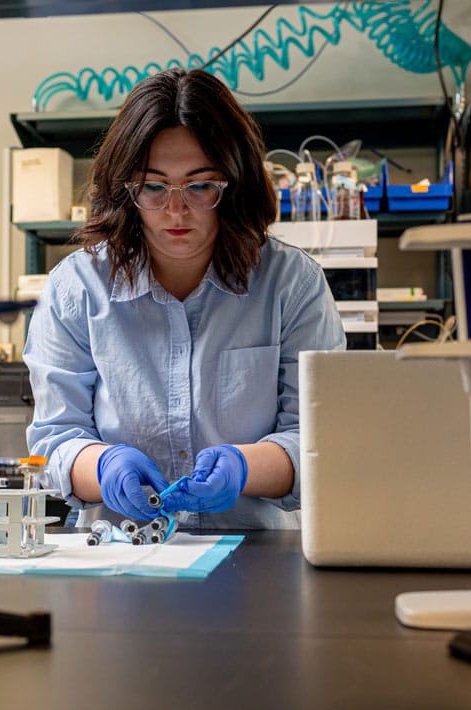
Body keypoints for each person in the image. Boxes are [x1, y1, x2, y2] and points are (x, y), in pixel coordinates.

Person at [23, 67, 345, 530]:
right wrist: (103, 466)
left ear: (234, 184)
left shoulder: (291, 284)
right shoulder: (76, 288)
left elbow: (319, 442)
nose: (176, 210)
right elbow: (55, 440)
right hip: (118, 563)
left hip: (257, 563)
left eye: (200, 185)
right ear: (124, 190)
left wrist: (244, 467)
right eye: (153, 186)